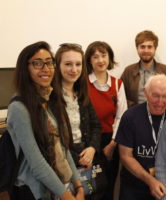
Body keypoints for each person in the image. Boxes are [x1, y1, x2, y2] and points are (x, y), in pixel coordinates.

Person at [7, 41, 84, 200]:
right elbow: (37, 164)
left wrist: (78, 184)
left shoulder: (49, 100)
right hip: (34, 191)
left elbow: (63, 149)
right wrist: (66, 196)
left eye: (49, 63)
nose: (46, 68)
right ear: (25, 68)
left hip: (58, 186)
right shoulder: (19, 108)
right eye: (37, 63)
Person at [115, 74, 166, 200]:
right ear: (145, 92)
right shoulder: (130, 116)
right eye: (155, 95)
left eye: (165, 96)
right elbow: (125, 156)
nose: (160, 102)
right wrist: (150, 181)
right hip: (135, 185)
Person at [55, 43, 102, 198]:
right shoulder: (51, 98)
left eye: (78, 64)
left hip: (85, 158)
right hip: (63, 163)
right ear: (58, 65)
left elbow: (96, 126)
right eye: (68, 64)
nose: (74, 70)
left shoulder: (81, 93)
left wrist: (92, 149)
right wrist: (78, 158)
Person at [85, 41, 127, 200]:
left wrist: (112, 144)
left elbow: (121, 116)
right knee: (91, 185)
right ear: (89, 60)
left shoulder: (118, 84)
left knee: (109, 183)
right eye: (95, 57)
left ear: (109, 58)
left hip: (111, 140)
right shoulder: (82, 83)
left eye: (103, 55)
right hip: (88, 142)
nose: (100, 60)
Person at [121, 30, 166, 107]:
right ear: (137, 48)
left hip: (161, 115)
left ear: (155, 49)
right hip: (135, 116)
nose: (146, 50)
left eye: (149, 47)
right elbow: (120, 97)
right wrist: (133, 107)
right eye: (142, 47)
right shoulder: (128, 71)